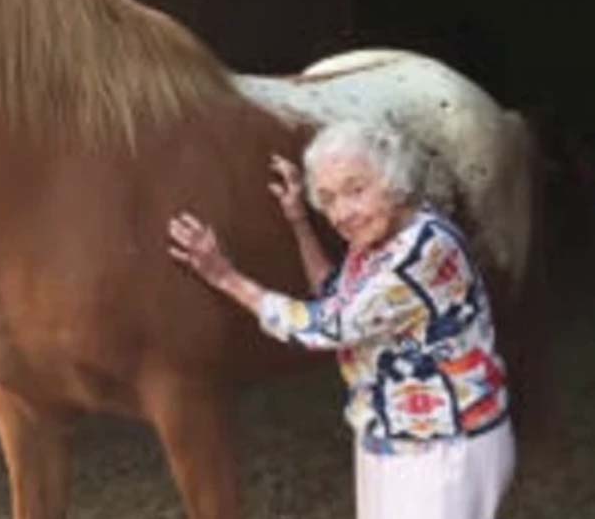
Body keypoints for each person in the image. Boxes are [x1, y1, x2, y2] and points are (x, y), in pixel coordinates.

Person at [167, 119, 515, 519]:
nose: (343, 212)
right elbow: (333, 294)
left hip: (445, 449)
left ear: (393, 179)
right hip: (394, 438)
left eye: (356, 189)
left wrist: (224, 276)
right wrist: (299, 221)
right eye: (329, 198)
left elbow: (326, 327)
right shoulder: (378, 239)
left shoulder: (420, 254)